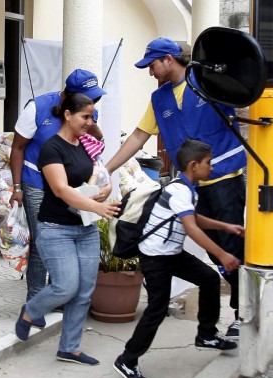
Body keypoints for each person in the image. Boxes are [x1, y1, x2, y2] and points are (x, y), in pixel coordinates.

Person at [105, 38, 246, 339]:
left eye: (152, 65)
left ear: (169, 59)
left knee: (233, 249)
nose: (150, 72)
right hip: (193, 188)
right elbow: (139, 136)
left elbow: (246, 103)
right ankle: (234, 313)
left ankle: (242, 314)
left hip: (224, 180)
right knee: (215, 253)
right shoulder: (160, 99)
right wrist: (107, 168)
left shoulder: (208, 81)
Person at [113, 139, 244, 378]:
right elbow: (192, 229)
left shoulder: (186, 188)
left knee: (208, 279)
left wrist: (226, 226)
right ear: (194, 165)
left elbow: (193, 217)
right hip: (155, 257)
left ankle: (206, 334)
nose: (212, 168)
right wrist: (223, 254)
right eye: (208, 163)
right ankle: (127, 360)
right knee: (157, 309)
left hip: (170, 254)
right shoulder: (178, 190)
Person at [14, 93, 121, 366]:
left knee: (85, 290)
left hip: (84, 228)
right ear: (68, 115)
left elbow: (102, 178)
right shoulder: (52, 148)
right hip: (55, 227)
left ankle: (69, 348)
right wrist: (96, 207)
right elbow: (61, 190)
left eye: (92, 117)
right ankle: (31, 310)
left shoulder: (87, 145)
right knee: (65, 286)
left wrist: (103, 192)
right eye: (85, 117)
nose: (90, 122)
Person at [10, 69, 107, 314]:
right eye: (88, 98)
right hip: (36, 182)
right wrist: (17, 187)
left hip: (70, 186)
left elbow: (96, 139)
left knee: (64, 237)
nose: (93, 104)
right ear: (69, 97)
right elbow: (18, 148)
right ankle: (34, 300)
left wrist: (91, 122)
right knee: (42, 240)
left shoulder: (85, 113)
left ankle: (58, 295)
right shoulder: (38, 107)